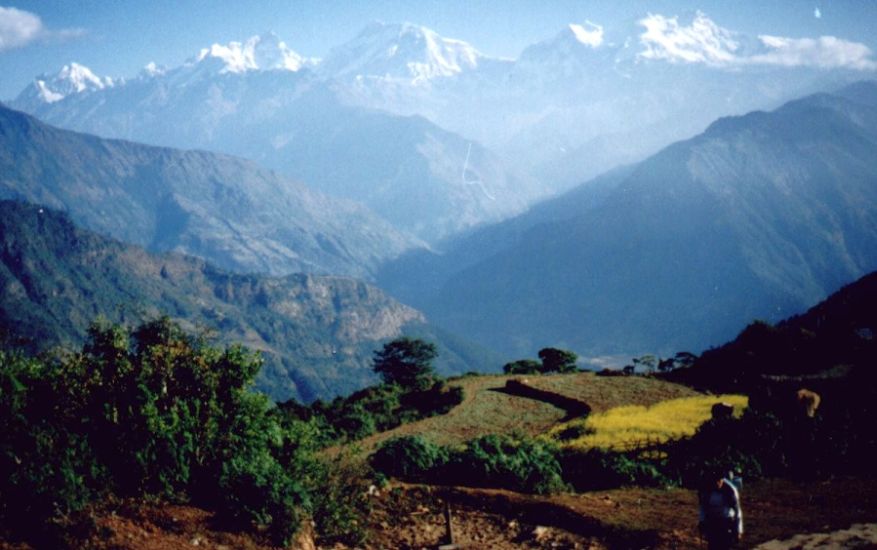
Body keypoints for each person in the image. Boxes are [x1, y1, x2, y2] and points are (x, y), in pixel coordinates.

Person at [698, 470, 743, 549]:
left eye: (719, 480)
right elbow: (702, 507)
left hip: (726, 522)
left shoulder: (730, 490)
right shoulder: (706, 489)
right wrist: (702, 521)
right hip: (713, 522)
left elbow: (737, 511)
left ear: (723, 479)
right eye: (715, 480)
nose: (717, 483)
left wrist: (738, 529)